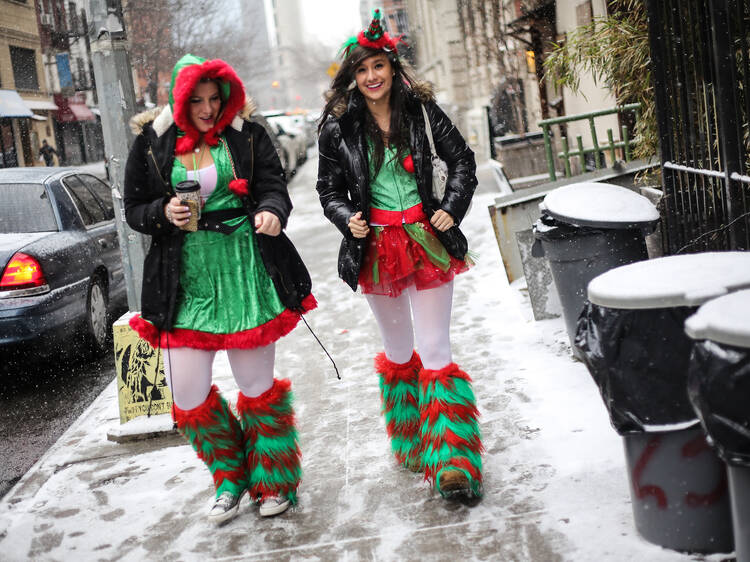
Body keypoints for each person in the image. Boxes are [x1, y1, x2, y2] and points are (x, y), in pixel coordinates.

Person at [124, 54, 316, 523]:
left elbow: (274, 185)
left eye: (216, 99)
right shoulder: (152, 141)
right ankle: (230, 477)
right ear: (180, 98)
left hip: (243, 269)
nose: (209, 109)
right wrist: (162, 214)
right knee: (187, 394)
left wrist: (271, 211)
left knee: (256, 387)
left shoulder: (247, 133)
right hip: (183, 280)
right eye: (198, 101)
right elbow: (134, 206)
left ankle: (273, 479)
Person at [316, 10, 483, 500]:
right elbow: (327, 189)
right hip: (375, 248)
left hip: (425, 238)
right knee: (398, 351)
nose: (371, 78)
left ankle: (453, 460)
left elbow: (462, 162)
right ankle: (412, 439)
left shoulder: (423, 111)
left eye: (378, 67)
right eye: (361, 70)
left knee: (435, 350)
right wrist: (347, 217)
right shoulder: (339, 127)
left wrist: (452, 207)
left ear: (392, 67)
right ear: (353, 76)